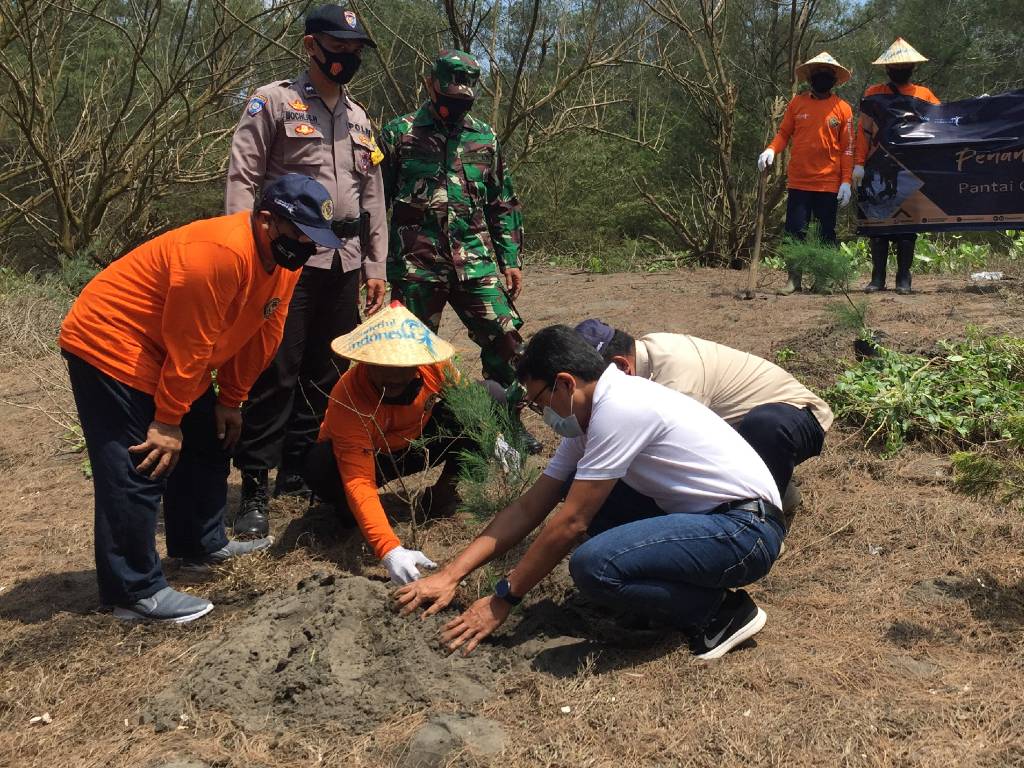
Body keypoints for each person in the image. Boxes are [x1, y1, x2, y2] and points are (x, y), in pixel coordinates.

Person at [396, 326, 786, 660]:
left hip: (745, 530)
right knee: (573, 487)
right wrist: (451, 575)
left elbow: (571, 522)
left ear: (565, 382)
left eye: (539, 402)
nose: (542, 414)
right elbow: (531, 505)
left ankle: (718, 612)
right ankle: (675, 588)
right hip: (715, 521)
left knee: (593, 566)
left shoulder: (622, 407)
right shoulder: (589, 418)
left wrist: (503, 600)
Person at [59, 175, 341, 623]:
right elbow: (189, 345)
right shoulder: (220, 254)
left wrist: (232, 399)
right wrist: (167, 421)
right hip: (112, 342)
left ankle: (200, 544)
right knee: (140, 461)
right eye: (301, 234)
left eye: (315, 238)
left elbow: (263, 332)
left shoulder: (284, 265)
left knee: (211, 436)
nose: (308, 246)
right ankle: (131, 590)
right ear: (267, 220)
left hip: (166, 350)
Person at [225, 4, 388, 538]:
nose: (347, 58)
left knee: (325, 372)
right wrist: (244, 251)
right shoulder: (273, 102)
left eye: (355, 50)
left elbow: (372, 196)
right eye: (338, 47)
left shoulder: (361, 118)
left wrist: (375, 263)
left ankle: (297, 468)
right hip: (287, 259)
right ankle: (254, 485)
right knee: (274, 369)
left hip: (342, 261)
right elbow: (243, 176)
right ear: (310, 45)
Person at [379, 50, 539, 454]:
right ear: (431, 84)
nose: (456, 103)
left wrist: (511, 260)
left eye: (464, 97)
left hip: (475, 262)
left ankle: (510, 423)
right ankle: (406, 433)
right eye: (449, 94)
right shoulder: (400, 133)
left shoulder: (484, 137)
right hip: (416, 266)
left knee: (505, 341)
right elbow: (374, 202)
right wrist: (374, 267)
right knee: (406, 353)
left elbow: (502, 201)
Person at [302, 303, 487, 584]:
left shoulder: (434, 367)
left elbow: (469, 404)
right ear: (367, 362)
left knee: (486, 399)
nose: (393, 380)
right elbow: (359, 479)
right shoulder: (348, 395)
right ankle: (348, 512)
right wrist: (389, 549)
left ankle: (441, 495)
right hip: (371, 458)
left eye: (402, 371)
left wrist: (495, 437)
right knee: (319, 462)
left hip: (416, 444)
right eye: (383, 371)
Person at [573, 319, 831, 515]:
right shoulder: (645, 358)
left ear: (620, 365)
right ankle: (780, 491)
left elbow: (681, 453)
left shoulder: (677, 374)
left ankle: (763, 517)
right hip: (740, 430)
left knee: (765, 426)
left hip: (799, 417)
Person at [759, 52, 855, 295]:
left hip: (829, 182)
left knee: (826, 232)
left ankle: (823, 279)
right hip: (799, 180)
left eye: (827, 74)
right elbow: (783, 134)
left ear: (834, 79)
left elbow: (847, 149)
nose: (821, 77)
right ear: (810, 78)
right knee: (794, 230)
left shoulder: (843, 109)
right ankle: (793, 279)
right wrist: (771, 149)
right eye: (817, 74)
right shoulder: (796, 103)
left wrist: (846, 182)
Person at [853, 38, 940, 295]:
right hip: (876, 165)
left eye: (905, 65)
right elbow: (863, 132)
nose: (900, 68)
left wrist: (975, 110)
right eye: (896, 65)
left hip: (911, 167)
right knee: (877, 224)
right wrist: (858, 164)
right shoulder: (873, 94)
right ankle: (877, 277)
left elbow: (942, 123)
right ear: (887, 68)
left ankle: (904, 277)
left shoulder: (924, 95)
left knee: (908, 225)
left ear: (913, 66)